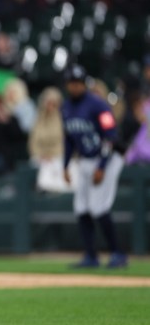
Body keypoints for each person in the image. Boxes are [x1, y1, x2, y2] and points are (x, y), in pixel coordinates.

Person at [61, 64, 127, 268]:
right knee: (81, 208)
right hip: (86, 160)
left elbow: (112, 138)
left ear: (84, 84)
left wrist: (103, 166)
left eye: (78, 83)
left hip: (108, 158)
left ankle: (118, 253)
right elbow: (69, 139)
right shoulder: (65, 107)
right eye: (72, 83)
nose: (75, 87)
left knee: (99, 207)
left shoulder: (99, 105)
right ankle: (91, 257)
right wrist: (65, 165)